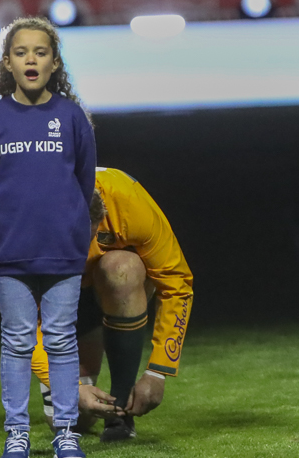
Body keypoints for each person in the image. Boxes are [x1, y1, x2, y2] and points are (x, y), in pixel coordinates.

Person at [0, 17, 96, 458]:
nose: (31, 59)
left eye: (40, 52)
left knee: (62, 339)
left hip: (63, 251)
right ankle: (17, 434)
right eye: (21, 52)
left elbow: (84, 183)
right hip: (11, 252)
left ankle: (65, 431)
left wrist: (65, 227)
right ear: (7, 62)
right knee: (18, 342)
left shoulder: (70, 117)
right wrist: (11, 227)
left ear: (54, 62)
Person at [32, 167, 195, 442]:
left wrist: (159, 370)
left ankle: (121, 407)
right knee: (75, 422)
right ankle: (83, 352)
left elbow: (176, 282)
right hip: (58, 303)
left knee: (122, 267)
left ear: (101, 218)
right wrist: (66, 385)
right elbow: (18, 318)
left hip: (109, 292)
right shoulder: (21, 218)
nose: (80, 252)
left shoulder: (126, 200)